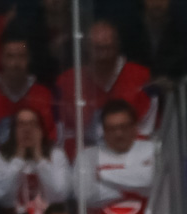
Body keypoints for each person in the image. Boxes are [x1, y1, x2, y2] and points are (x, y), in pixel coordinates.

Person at [74, 98, 152, 214]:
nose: (118, 134)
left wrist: (101, 175)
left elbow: (150, 181)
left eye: (123, 127)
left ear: (134, 127)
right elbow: (85, 195)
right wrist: (132, 188)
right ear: (104, 130)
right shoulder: (88, 155)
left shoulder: (150, 150)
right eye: (112, 129)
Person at [56, 20, 152, 150]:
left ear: (117, 46)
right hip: (87, 157)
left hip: (131, 157)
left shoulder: (140, 77)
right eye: (98, 48)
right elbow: (67, 135)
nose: (103, 55)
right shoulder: (69, 81)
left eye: (108, 47)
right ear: (87, 48)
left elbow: (147, 132)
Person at [0, 37, 56, 156]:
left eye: (21, 56)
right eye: (10, 56)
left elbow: (51, 138)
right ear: (0, 59)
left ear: (29, 59)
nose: (15, 63)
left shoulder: (42, 95)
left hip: (34, 163)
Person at [0, 107, 70, 214]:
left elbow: (59, 195)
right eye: (21, 124)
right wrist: (18, 159)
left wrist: (39, 157)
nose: (27, 129)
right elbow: (2, 198)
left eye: (32, 124)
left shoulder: (56, 156)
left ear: (41, 129)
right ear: (13, 130)